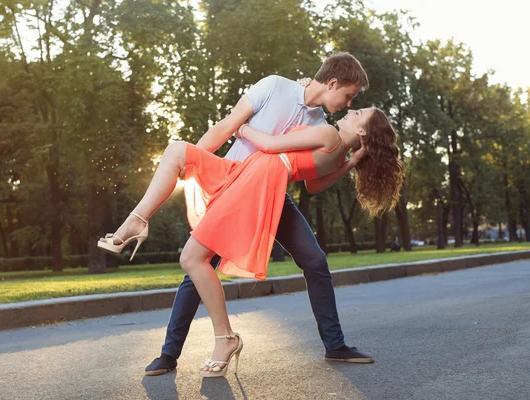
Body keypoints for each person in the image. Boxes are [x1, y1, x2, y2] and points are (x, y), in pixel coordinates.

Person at [98, 103, 405, 377]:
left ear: (363, 130)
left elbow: (271, 145)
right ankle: (170, 347)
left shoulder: (329, 134)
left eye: (359, 112)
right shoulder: (333, 144)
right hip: (250, 176)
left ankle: (319, 344)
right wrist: (352, 162)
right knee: (179, 155)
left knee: (196, 259)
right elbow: (313, 186)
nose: (351, 109)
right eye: (353, 103)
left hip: (258, 183)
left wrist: (241, 126)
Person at [140, 53, 375, 376]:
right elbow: (226, 127)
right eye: (348, 96)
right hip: (236, 188)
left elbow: (310, 185)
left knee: (315, 262)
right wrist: (197, 162)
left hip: (274, 197)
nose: (348, 105)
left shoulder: (321, 125)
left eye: (353, 102)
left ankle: (335, 345)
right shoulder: (276, 87)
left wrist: (349, 162)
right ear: (332, 82)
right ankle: (169, 354)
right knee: (200, 263)